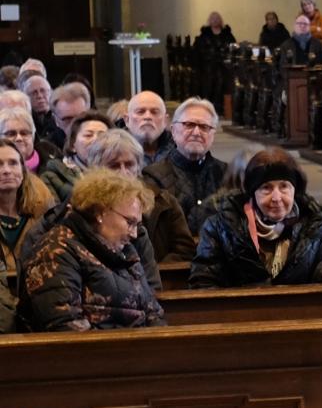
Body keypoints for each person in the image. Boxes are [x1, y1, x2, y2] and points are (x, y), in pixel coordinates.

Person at [20, 168, 164, 332]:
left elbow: (153, 312)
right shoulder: (55, 250)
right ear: (100, 212)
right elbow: (65, 325)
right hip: (94, 354)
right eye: (129, 222)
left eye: (137, 225)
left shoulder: (125, 251)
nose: (134, 234)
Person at [191, 148, 322, 288]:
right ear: (252, 193)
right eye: (266, 188)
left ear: (295, 190)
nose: (276, 197)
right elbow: (204, 283)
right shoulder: (219, 227)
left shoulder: (317, 227)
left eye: (284, 186)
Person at [85, 129, 194, 275]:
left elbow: (184, 250)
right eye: (114, 166)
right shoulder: (84, 205)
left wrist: (151, 271)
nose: (123, 173)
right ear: (96, 169)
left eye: (129, 164)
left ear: (138, 167)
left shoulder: (163, 202)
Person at [143, 98, 224, 234]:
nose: (196, 132)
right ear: (173, 131)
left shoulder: (226, 174)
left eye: (204, 127)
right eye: (189, 125)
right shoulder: (153, 176)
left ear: (213, 135)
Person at [0, 138, 56, 298]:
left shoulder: (42, 208)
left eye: (13, 163)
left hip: (36, 293)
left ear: (23, 171)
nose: (6, 170)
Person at [39, 110, 110, 203]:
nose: (96, 140)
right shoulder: (52, 176)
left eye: (103, 135)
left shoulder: (123, 170)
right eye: (88, 135)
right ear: (72, 145)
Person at [0, 104, 58, 170]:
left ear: (33, 136)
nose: (19, 138)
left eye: (24, 133)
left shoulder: (54, 162)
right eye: (11, 134)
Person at [124, 90, 174, 165]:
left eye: (154, 112)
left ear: (165, 120)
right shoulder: (112, 152)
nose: (148, 117)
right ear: (127, 120)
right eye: (140, 111)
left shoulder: (180, 150)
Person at [23, 75, 63, 150]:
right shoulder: (24, 122)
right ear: (26, 97)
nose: (40, 96)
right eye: (34, 93)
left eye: (43, 91)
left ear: (51, 93)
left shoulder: (61, 117)